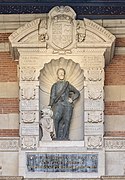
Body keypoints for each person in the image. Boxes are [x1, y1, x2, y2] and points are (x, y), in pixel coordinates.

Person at [49, 68, 80, 140]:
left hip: (67, 105)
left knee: (67, 120)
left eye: (63, 73)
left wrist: (72, 99)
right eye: (60, 73)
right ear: (57, 75)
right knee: (56, 119)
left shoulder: (67, 84)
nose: (61, 74)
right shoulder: (55, 85)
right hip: (58, 104)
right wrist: (50, 106)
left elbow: (77, 92)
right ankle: (56, 136)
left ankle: (65, 137)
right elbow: (52, 96)